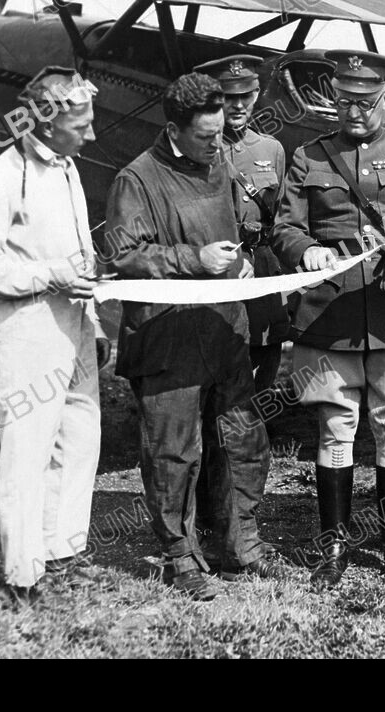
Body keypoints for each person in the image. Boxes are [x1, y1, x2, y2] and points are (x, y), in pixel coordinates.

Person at [272, 49, 385, 589]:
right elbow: (285, 228)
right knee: (334, 428)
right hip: (329, 316)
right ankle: (335, 545)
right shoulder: (309, 155)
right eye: (344, 100)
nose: (353, 112)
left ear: (384, 97)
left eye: (365, 102)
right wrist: (305, 252)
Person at [104, 72, 279, 602]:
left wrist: (241, 260)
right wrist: (193, 261)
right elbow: (122, 256)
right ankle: (180, 556)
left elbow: (227, 235)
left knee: (244, 438)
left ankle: (239, 543)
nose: (216, 143)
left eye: (220, 131)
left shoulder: (220, 164)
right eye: (205, 136)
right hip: (167, 336)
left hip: (223, 330)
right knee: (174, 454)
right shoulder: (136, 179)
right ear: (174, 130)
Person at [0, 66, 108, 608]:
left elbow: (79, 256)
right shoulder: (4, 175)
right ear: (44, 124)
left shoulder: (67, 169)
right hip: (25, 329)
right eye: (80, 126)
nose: (91, 136)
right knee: (27, 451)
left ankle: (64, 555)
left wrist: (93, 323)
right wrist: (47, 276)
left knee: (79, 441)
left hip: (73, 326)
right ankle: (23, 575)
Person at [192, 54, 288, 392]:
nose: (238, 106)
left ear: (257, 94)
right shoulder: (198, 150)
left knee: (265, 348)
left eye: (245, 96)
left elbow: (279, 216)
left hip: (260, 265)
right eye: (228, 98)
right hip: (218, 264)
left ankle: (254, 427)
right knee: (215, 350)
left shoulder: (271, 149)